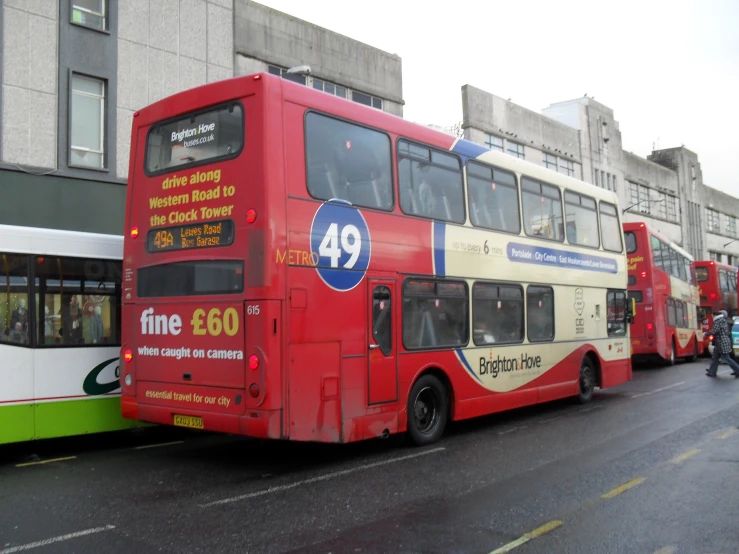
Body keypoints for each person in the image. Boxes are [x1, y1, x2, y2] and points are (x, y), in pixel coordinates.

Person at [706, 310, 739, 378]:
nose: (711, 317)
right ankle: (712, 372)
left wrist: (705, 334)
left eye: (712, 315)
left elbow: (715, 331)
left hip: (721, 342)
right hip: (720, 342)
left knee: (726, 358)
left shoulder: (719, 321)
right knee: (715, 357)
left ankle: (738, 369)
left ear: (715, 315)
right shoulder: (723, 320)